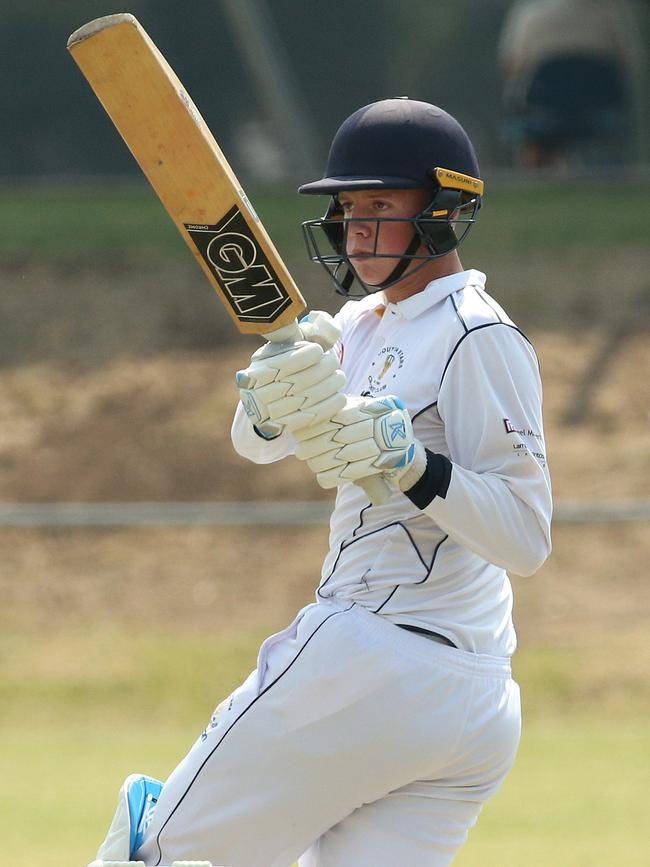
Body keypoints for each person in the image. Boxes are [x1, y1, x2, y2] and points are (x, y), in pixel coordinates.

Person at [90, 97, 552, 867]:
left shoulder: (476, 334)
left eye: (379, 205)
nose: (356, 227)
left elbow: (527, 538)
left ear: (441, 210)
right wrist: (274, 398)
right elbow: (257, 446)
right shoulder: (361, 324)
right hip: (469, 709)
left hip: (373, 658)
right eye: (347, 207)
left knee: (153, 850)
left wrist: (411, 464)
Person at [498, 0, 644, 169]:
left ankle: (535, 175)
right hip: (596, 110)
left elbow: (511, 65)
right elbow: (629, 61)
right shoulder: (610, 14)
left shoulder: (529, 14)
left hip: (546, 111)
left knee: (525, 105)